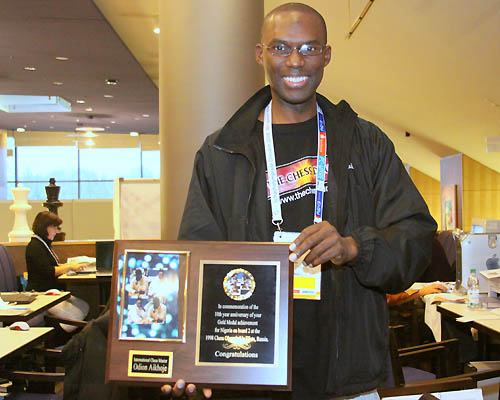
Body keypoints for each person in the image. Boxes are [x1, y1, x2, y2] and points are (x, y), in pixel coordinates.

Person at [164, 3, 437, 399]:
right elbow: (196, 263)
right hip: (249, 372)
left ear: (326, 55)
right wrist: (188, 360)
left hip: (347, 373)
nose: (295, 61)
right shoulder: (221, 152)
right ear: (261, 54)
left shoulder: (366, 143)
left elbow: (416, 237)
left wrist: (354, 247)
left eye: (309, 49)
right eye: (280, 48)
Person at [26, 211, 89, 330]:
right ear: (45, 227)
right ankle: (59, 341)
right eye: (54, 227)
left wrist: (69, 266)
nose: (57, 231)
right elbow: (49, 271)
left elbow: (53, 266)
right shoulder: (35, 247)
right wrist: (70, 267)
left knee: (84, 306)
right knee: (75, 315)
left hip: (52, 291)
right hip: (41, 293)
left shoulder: (43, 244)